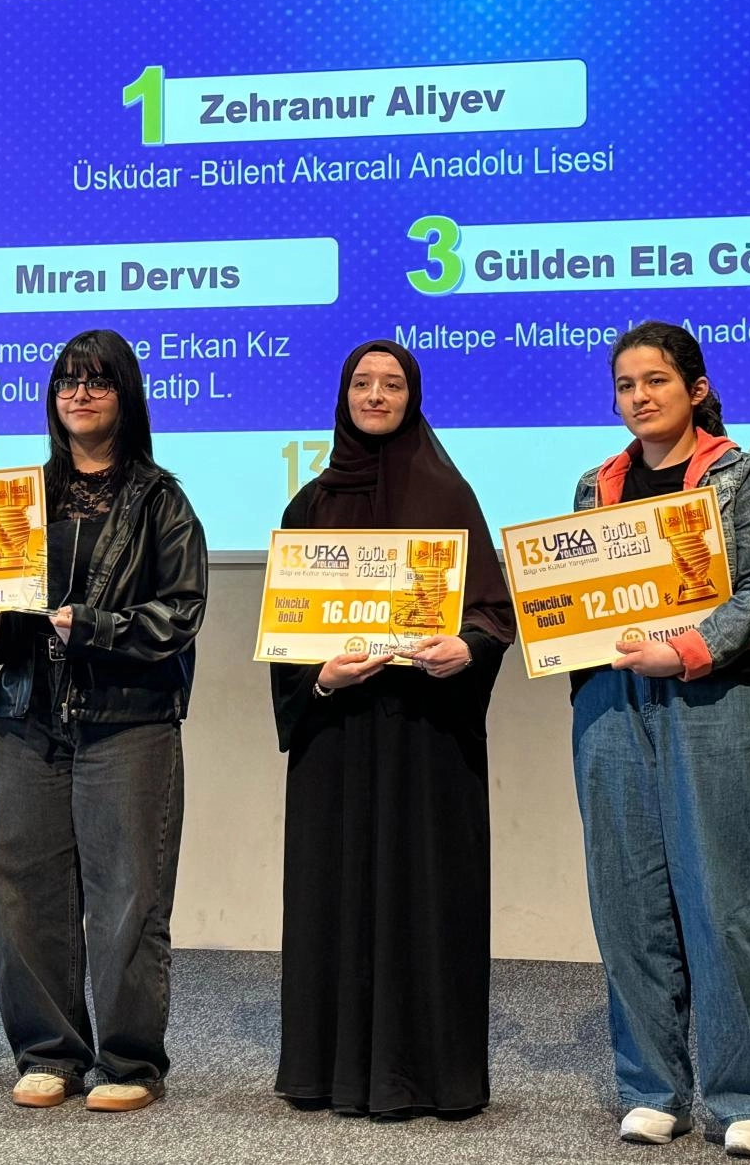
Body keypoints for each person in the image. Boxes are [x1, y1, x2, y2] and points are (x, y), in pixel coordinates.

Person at [0, 328, 206, 1113]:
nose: (80, 394)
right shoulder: (19, 497)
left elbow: (181, 614)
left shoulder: (161, 499)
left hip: (128, 723)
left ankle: (131, 1062)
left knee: (129, 896)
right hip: (28, 718)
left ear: (125, 395)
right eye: (68, 381)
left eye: (98, 381)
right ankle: (48, 1054)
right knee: (25, 893)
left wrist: (93, 626)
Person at [268, 339, 516, 1119]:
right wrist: (320, 677)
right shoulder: (308, 507)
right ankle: (329, 1071)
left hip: (425, 736)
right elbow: (286, 638)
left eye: (393, 384)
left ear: (414, 397)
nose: (376, 395)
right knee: (333, 893)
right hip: (336, 736)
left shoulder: (449, 496)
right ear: (344, 396)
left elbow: (492, 614)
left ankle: (431, 1076)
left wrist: (467, 648)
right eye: (362, 384)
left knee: (426, 893)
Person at [567, 321, 750, 1156]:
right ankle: (652, 1088)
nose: (640, 397)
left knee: (725, 901)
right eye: (626, 385)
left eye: (657, 381)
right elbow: (575, 595)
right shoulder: (595, 486)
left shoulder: (736, 475)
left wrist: (690, 648)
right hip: (610, 703)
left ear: (696, 390)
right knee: (627, 901)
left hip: (713, 696)